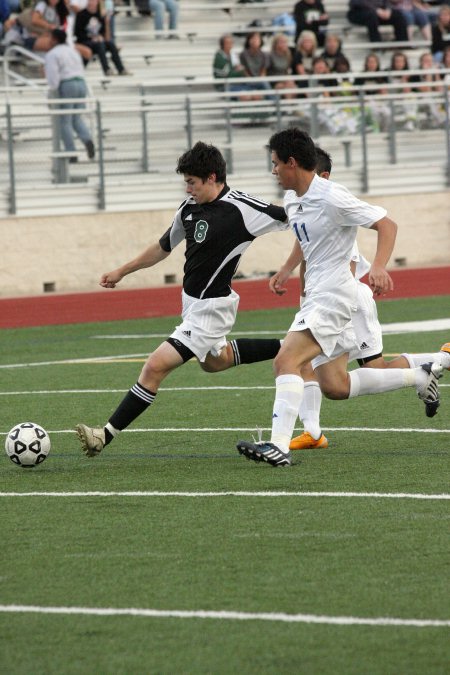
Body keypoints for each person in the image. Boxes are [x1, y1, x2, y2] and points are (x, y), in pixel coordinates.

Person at [236, 128, 443, 467]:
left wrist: (377, 266)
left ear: (291, 162)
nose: (272, 171)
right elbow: (306, 241)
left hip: (335, 296)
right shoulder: (293, 200)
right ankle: (419, 375)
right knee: (334, 385)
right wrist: (289, 272)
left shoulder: (332, 196)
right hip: (317, 296)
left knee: (286, 362)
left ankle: (278, 446)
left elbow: (387, 224)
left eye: (275, 164)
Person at [75, 141, 289, 456]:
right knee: (216, 363)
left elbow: (292, 217)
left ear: (212, 177)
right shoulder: (188, 209)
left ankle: (102, 436)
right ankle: (291, 348)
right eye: (185, 182)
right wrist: (124, 270)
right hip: (192, 306)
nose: (187, 188)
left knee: (154, 367)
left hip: (212, 308)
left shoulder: (241, 208)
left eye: (192, 182)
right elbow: (163, 246)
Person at [44, 28, 95, 161]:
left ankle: (70, 151)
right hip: (81, 82)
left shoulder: (52, 54)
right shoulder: (72, 50)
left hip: (67, 84)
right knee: (76, 118)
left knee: (64, 120)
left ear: (54, 39)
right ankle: (87, 139)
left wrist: (52, 92)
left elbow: (53, 77)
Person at [74, 0, 130, 75]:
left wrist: (107, 23)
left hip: (99, 41)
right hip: (85, 41)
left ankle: (121, 69)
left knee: (111, 44)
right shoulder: (81, 15)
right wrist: (92, 38)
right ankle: (106, 69)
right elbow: (78, 33)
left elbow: (107, 37)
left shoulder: (100, 15)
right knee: (100, 45)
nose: (92, 3)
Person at [212, 33, 257, 101]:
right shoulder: (219, 57)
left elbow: (237, 68)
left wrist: (238, 70)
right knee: (245, 96)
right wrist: (240, 71)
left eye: (231, 43)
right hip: (224, 87)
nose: (230, 45)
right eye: (228, 43)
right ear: (222, 44)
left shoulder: (232, 54)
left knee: (257, 94)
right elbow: (228, 75)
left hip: (236, 84)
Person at [239, 31, 273, 98]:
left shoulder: (264, 55)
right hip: (248, 81)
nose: (255, 41)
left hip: (260, 80)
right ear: (249, 40)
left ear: (260, 41)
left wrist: (258, 80)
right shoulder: (243, 54)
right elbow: (244, 71)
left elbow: (263, 72)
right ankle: (275, 102)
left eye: (257, 39)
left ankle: (274, 102)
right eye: (253, 38)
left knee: (263, 83)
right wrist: (251, 80)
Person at [267, 33, 297, 99]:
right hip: (274, 81)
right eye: (282, 42)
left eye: (285, 42)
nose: (284, 44)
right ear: (275, 44)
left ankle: (291, 106)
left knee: (293, 86)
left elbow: (287, 70)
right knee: (286, 88)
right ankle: (289, 108)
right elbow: (267, 72)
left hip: (284, 79)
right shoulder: (270, 55)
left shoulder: (288, 54)